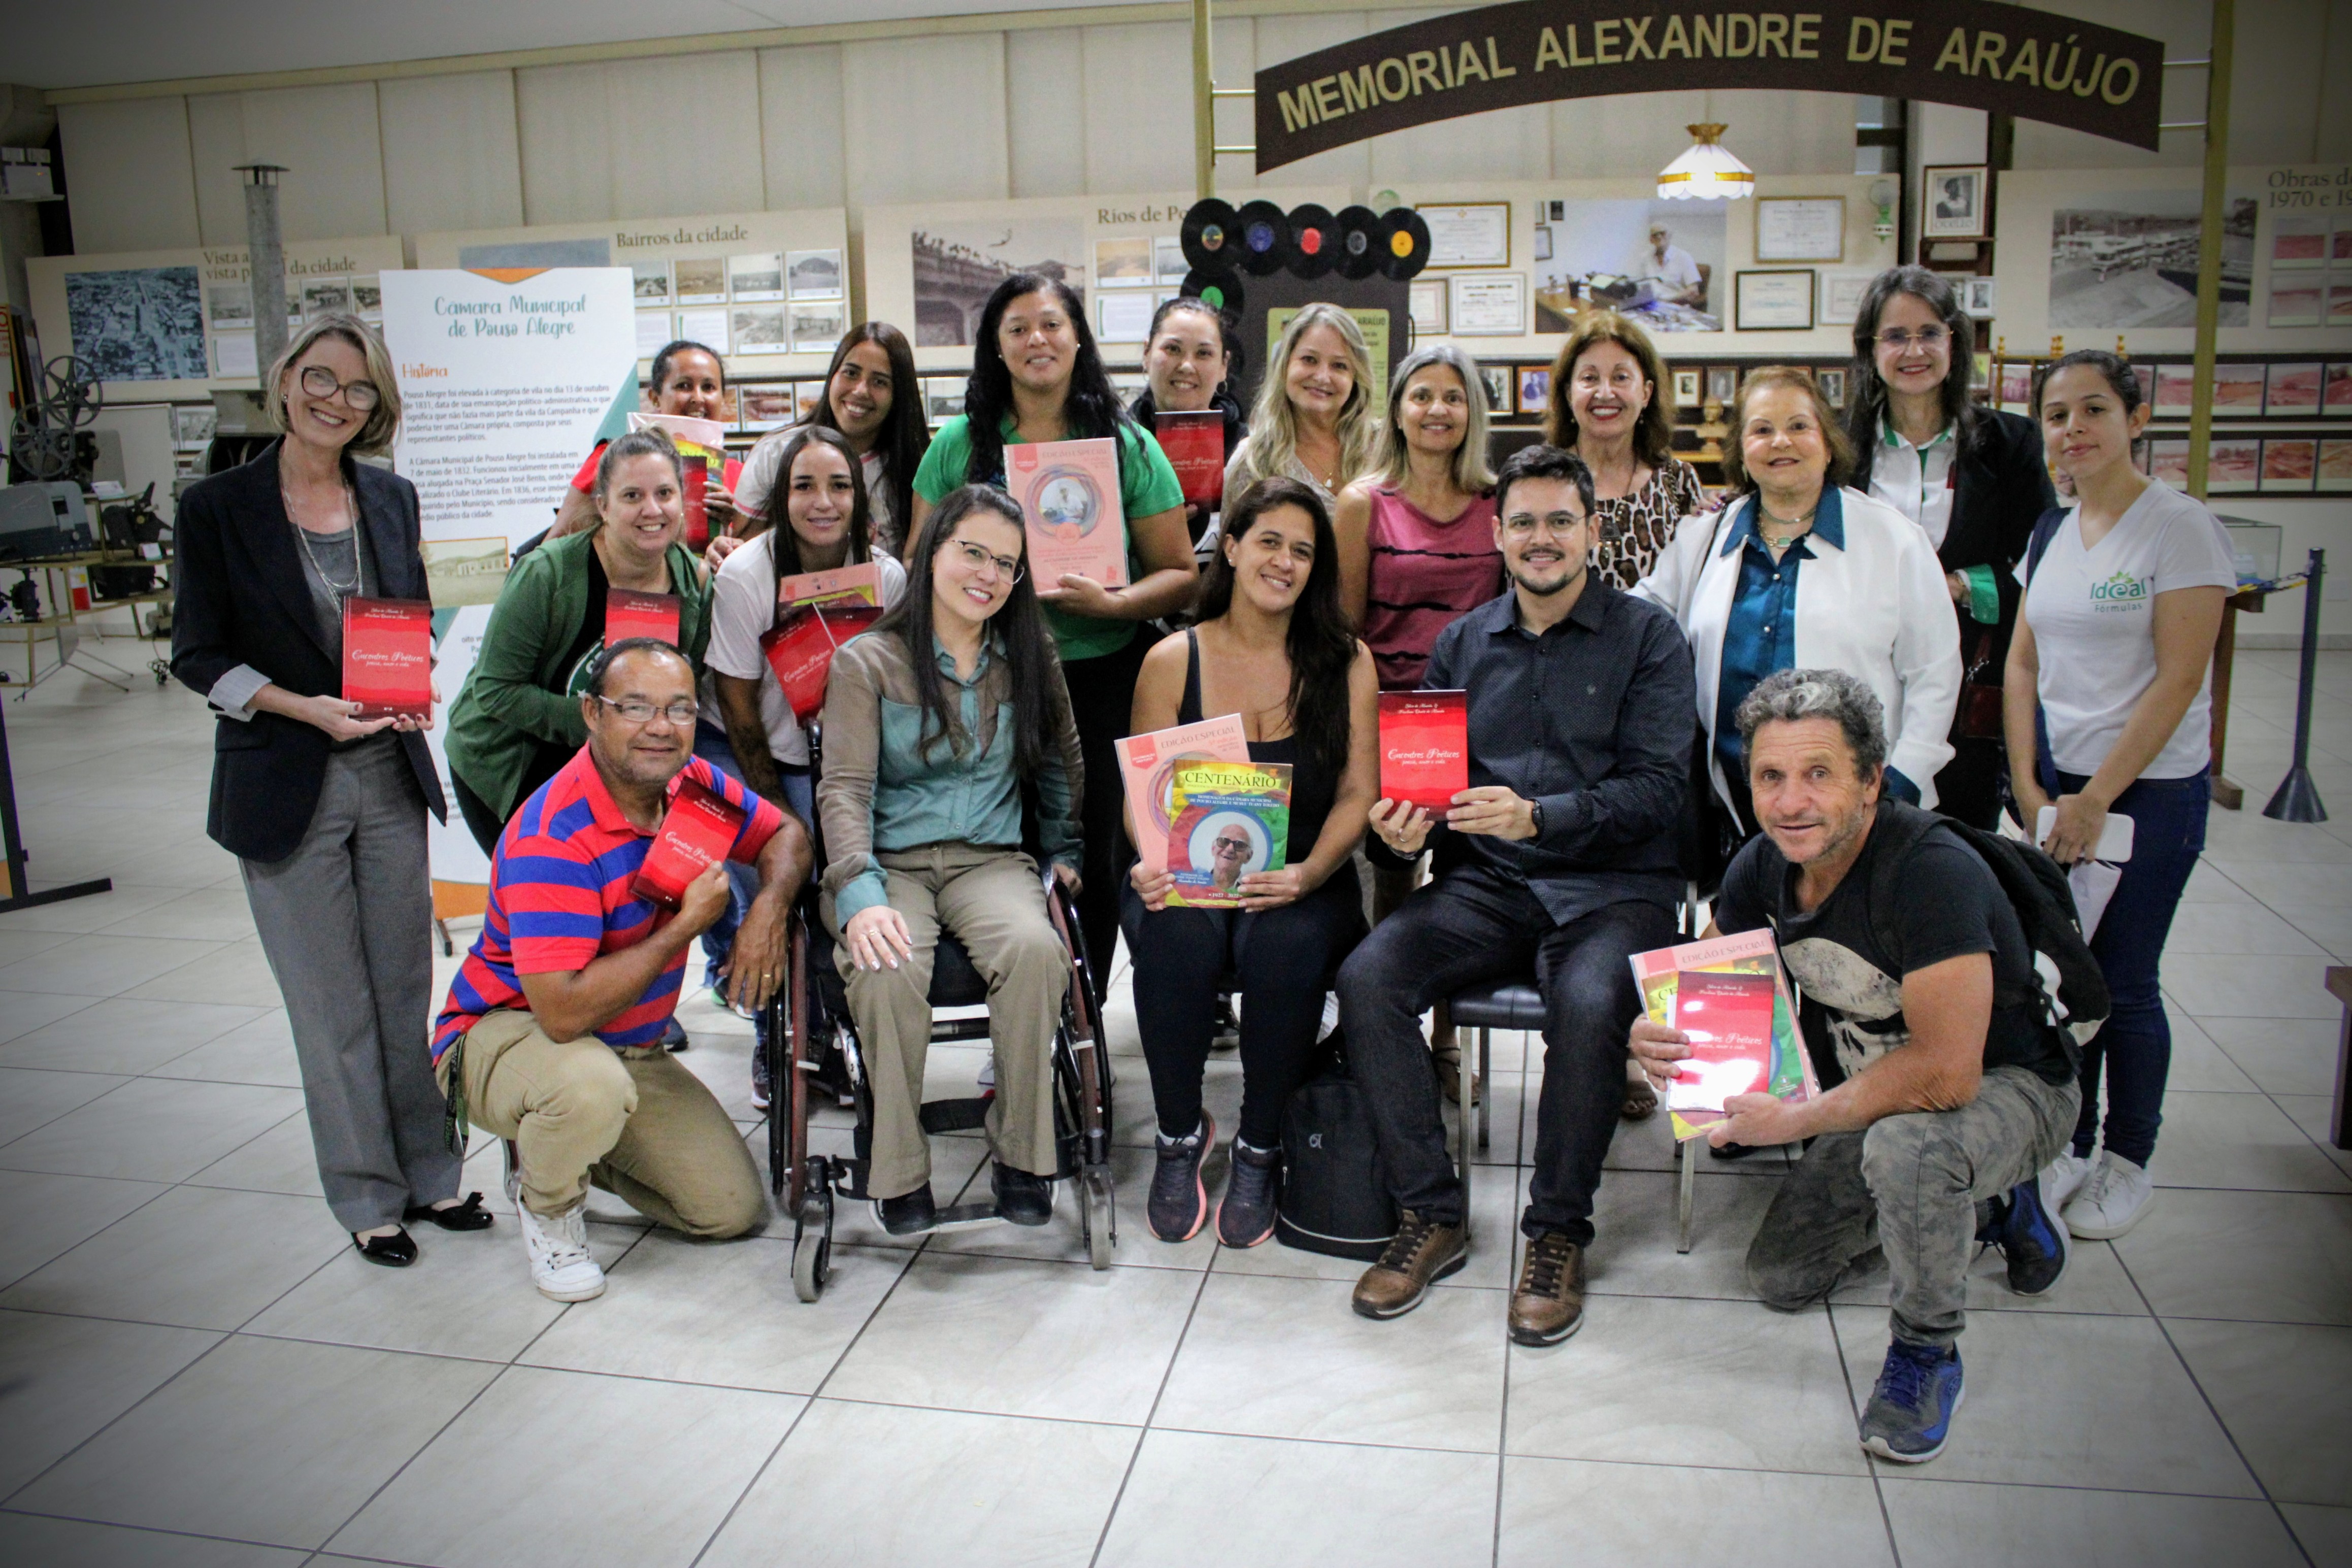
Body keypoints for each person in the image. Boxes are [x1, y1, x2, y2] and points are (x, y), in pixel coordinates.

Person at [1630, 668, 2078, 1464]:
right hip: (1878, 1092)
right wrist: (1655, 1030)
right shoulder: (1761, 866)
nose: (1790, 802)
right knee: (1783, 1276)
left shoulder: (1931, 872)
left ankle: (1927, 1352)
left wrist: (1797, 1119)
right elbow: (1708, 981)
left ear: (1871, 781)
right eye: (1770, 777)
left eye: (1818, 774)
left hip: (2010, 1085)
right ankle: (1991, 1208)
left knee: (1913, 1151)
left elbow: (1946, 1074)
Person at [1337, 445, 1695, 1345]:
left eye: (1560, 521)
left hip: (1615, 889)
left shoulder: (1650, 638)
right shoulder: (1463, 642)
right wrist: (1404, 829)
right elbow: (1428, 788)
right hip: (1490, 883)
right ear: (1496, 534)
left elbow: (1660, 791)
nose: (1542, 539)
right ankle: (1430, 1212)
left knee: (1588, 1001)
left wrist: (1540, 817)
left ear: (1593, 531)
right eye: (1524, 522)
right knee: (1368, 978)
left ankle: (1556, 1231)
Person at [171, 313, 482, 1268]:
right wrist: (300, 706)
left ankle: (430, 1172)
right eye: (319, 378)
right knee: (330, 1005)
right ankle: (365, 1193)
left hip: (387, 768)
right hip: (284, 776)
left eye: (356, 388)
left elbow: (404, 616)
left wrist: (412, 676)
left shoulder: (389, 496)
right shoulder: (217, 507)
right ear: (284, 380)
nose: (334, 400)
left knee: (401, 986)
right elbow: (196, 655)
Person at [435, 639, 811, 1301]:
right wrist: (687, 926)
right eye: (636, 707)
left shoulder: (692, 784)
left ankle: (565, 1140)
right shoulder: (552, 835)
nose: (660, 726)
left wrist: (767, 910)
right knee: (587, 1088)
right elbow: (563, 1014)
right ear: (593, 713)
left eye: (679, 708)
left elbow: (786, 834)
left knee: (727, 1209)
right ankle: (548, 1206)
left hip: (627, 1046)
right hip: (508, 1031)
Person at [910, 274, 1195, 994]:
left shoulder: (1126, 445)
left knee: (1093, 851)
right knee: (1000, 844)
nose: (1036, 339)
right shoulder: (958, 445)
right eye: (1017, 328)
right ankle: (1018, 1002)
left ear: (1077, 339)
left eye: (1051, 325)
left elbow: (1180, 575)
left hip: (1103, 675)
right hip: (984, 674)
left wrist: (1113, 604)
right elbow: (918, 562)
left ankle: (1081, 1009)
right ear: (995, 347)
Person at [2006, 350, 2236, 1240]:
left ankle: (2128, 1159)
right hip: (2060, 789)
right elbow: (2021, 663)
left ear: (2136, 419)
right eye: (2056, 414)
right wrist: (2030, 783)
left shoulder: (2180, 528)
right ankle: (2073, 1140)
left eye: (2094, 409)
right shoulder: (2050, 530)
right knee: (2071, 978)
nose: (2074, 429)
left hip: (2149, 793)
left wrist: (2097, 797)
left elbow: (2179, 678)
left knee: (2127, 980)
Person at [818, 485, 1086, 1235]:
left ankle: (1024, 1156)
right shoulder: (867, 662)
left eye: (1006, 563)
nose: (988, 574)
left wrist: (1064, 848)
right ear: (934, 550)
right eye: (973, 551)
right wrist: (859, 894)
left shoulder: (1028, 657)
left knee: (1037, 952)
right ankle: (899, 1169)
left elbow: (1061, 761)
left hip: (989, 861)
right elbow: (843, 790)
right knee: (885, 966)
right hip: (890, 864)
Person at [1126, 478, 1377, 1247]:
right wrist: (1150, 863)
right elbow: (1144, 798)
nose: (1285, 562)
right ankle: (1178, 1135)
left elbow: (1358, 792)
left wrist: (1309, 873)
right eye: (1269, 541)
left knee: (1287, 943)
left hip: (1303, 872)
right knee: (1172, 934)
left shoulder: (1346, 661)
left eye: (1303, 550)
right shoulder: (1172, 660)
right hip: (1188, 869)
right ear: (1230, 548)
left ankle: (1260, 1146)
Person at [1635, 366, 1960, 843]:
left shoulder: (1894, 539)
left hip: (1863, 816)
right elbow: (1635, 619)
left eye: (1798, 426)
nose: (1780, 441)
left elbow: (1935, 673)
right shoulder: (1701, 539)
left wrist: (1901, 783)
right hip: (1739, 814)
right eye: (1761, 429)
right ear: (1741, 452)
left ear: (1827, 444)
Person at [1332, 344, 1500, 1104]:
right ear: (1396, 409)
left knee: (1465, 877)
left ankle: (1446, 1041)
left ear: (1472, 412)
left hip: (1483, 717)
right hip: (1394, 716)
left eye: (1453, 396)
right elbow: (1345, 630)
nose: (1437, 409)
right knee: (1396, 876)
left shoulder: (1497, 501)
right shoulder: (1363, 502)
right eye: (1421, 395)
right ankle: (1389, 1035)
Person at [1845, 267, 2056, 830]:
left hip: (1971, 682)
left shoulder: (2011, 444)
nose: (1913, 351)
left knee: (1960, 841)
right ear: (1870, 348)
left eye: (1929, 333)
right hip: (1859, 671)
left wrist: (1958, 586)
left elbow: (2042, 569)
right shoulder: (1839, 446)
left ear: (1954, 342)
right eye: (1895, 336)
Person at [446, 429, 714, 856]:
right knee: (543, 887)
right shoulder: (545, 574)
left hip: (614, 770)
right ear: (603, 506)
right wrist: (603, 723)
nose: (652, 509)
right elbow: (495, 691)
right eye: (632, 496)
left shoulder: (694, 583)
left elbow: (684, 690)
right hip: (513, 761)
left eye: (665, 493)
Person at [1541, 311, 1706, 590]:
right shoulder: (1540, 480)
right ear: (1569, 393)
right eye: (1590, 378)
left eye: (1621, 377)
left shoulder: (1678, 482)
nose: (1605, 393)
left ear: (1646, 393)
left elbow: (1699, 588)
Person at [737, 323, 929, 561]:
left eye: (880, 382)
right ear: (833, 375)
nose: (860, 390)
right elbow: (743, 554)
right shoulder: (775, 453)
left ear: (898, 394)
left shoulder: (918, 468)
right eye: (851, 373)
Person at [544, 340, 740, 550]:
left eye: (709, 387)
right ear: (655, 398)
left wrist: (735, 523)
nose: (698, 398)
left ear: (723, 398)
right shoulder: (611, 460)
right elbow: (557, 542)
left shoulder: (739, 475)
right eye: (684, 386)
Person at [1222, 303, 1380, 516]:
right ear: (1285, 365)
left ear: (1356, 377)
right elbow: (1233, 537)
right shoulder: (1252, 460)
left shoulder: (1383, 449)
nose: (1322, 377)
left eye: (1339, 365)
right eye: (1309, 360)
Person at [1130, 295, 1247, 557]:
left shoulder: (1249, 453)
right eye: (1173, 349)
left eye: (1203, 353)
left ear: (1224, 366)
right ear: (1147, 353)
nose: (1186, 366)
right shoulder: (1117, 446)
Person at [1638, 224, 1705, 309]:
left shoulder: (1684, 257)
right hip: (1651, 306)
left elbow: (1693, 291)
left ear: (1669, 236)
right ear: (1651, 240)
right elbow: (1641, 286)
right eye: (1655, 235)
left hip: (1676, 306)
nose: (1659, 237)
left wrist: (1668, 299)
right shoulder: (1645, 258)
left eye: (1662, 233)